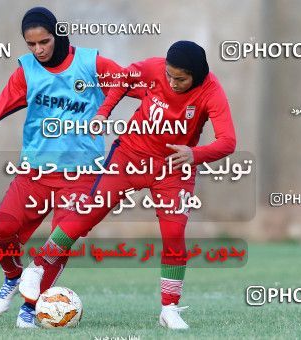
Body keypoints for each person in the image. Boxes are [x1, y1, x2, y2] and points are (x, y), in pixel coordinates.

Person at [19, 40, 237, 330]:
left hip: (173, 169)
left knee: (174, 234)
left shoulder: (212, 91)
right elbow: (122, 78)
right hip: (130, 155)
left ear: (197, 75)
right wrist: (104, 111)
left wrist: (195, 154)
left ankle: (169, 310)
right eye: (169, 75)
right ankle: (36, 270)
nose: (172, 82)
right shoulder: (155, 67)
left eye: (180, 79)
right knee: (85, 216)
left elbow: (228, 141)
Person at [0, 7, 128, 328]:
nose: (38, 50)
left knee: (58, 242)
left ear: (58, 34)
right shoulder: (26, 73)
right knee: (0, 232)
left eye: (44, 41)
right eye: (31, 44)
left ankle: (31, 307)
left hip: (81, 178)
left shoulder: (91, 64)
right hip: (34, 175)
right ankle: (13, 276)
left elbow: (130, 83)